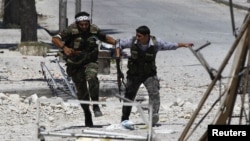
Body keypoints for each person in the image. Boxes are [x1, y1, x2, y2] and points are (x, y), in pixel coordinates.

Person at [116, 25, 193, 126]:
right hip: (134, 74)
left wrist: (183, 45)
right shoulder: (132, 41)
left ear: (147, 36)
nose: (137, 38)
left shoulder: (156, 43)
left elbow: (170, 45)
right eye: (137, 35)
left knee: (154, 94)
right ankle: (124, 118)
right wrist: (118, 56)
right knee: (129, 95)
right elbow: (118, 43)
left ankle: (153, 116)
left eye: (140, 36)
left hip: (149, 74)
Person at [52, 11, 117, 127]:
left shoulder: (93, 29)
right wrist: (64, 47)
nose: (84, 27)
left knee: (92, 78)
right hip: (75, 64)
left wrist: (118, 44)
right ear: (77, 23)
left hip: (90, 62)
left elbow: (105, 38)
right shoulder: (70, 30)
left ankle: (96, 105)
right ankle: (87, 113)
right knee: (81, 91)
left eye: (86, 24)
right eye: (81, 24)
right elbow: (55, 39)